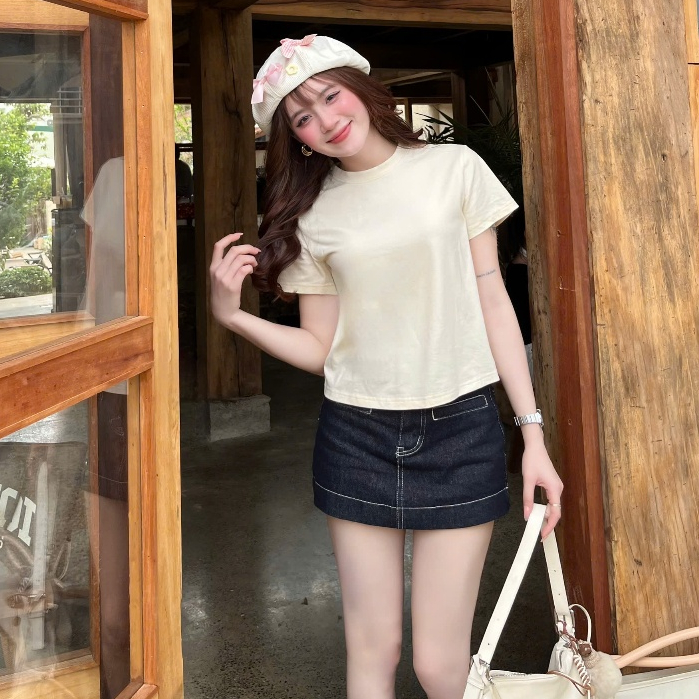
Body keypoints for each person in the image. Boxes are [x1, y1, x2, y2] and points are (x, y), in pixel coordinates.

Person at [209, 35, 563, 699]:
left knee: (438, 665)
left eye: (329, 95)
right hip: (357, 436)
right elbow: (320, 349)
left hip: (461, 429)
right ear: (297, 140)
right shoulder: (312, 215)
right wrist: (233, 317)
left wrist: (532, 436)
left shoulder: (454, 168)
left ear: (361, 88)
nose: (325, 119)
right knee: (373, 653)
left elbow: (493, 300)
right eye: (302, 117)